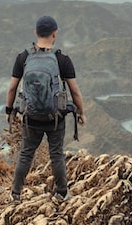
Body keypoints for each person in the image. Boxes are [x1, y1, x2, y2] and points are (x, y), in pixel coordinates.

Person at [5, 15, 86, 203]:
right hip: (54, 118)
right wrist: (81, 112)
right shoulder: (61, 59)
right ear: (55, 33)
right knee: (56, 153)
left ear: (36, 32)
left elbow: (12, 88)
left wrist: (9, 111)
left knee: (26, 153)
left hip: (30, 117)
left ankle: (15, 193)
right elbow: (75, 91)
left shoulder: (23, 57)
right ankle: (62, 193)